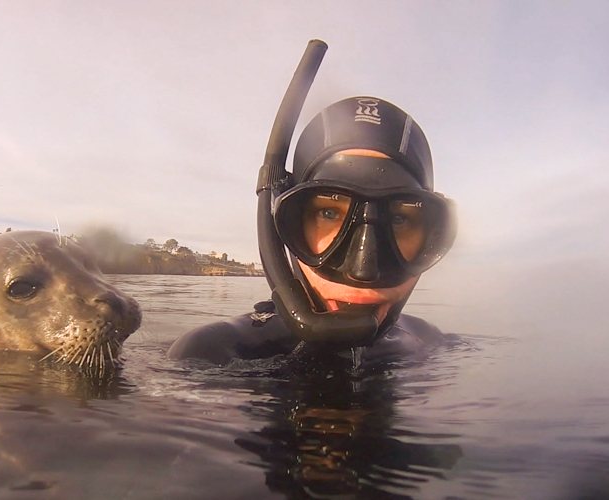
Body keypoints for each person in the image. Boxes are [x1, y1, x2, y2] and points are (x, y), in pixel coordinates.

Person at [168, 95, 456, 365]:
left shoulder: (431, 343)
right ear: (284, 225)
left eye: (399, 220)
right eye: (328, 213)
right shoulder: (213, 355)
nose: (363, 270)